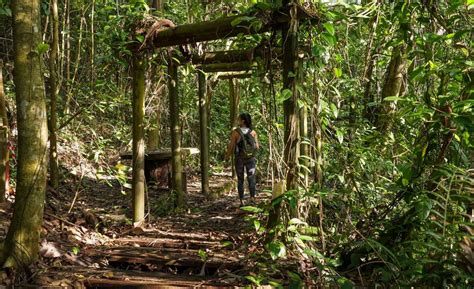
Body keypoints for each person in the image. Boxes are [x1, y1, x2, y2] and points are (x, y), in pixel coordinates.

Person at [225, 113, 260, 206]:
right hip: (251, 158)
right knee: (251, 178)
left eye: (239, 119)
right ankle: (252, 198)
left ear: (243, 121)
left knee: (240, 179)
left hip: (239, 158)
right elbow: (257, 146)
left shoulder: (236, 132)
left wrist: (227, 156)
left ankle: (242, 201)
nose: (237, 121)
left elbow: (231, 146)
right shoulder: (253, 132)